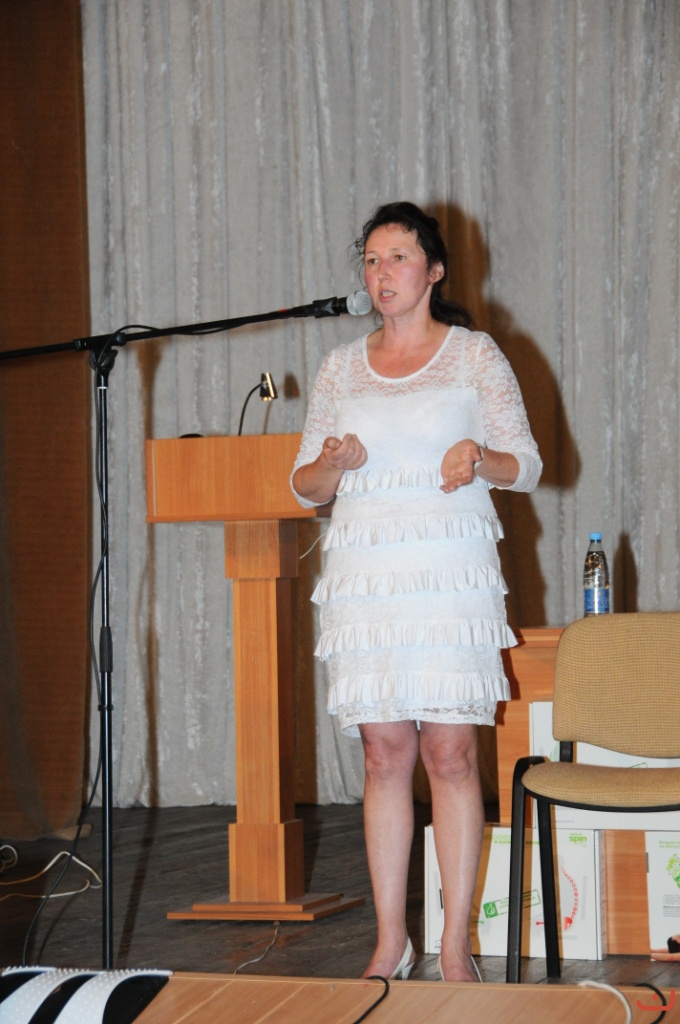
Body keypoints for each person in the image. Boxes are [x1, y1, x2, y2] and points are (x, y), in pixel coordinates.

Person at [291, 202, 542, 983]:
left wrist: (479, 458)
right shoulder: (340, 366)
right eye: (371, 260)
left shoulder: (474, 355)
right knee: (384, 752)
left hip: (448, 572)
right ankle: (390, 941)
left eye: (397, 257)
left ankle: (456, 944)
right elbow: (305, 486)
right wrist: (332, 464)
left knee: (451, 753)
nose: (382, 273)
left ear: (433, 270)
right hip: (368, 578)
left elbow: (528, 464)